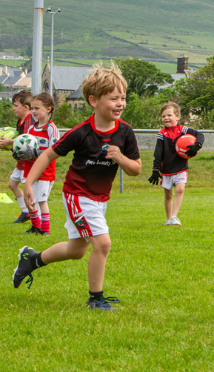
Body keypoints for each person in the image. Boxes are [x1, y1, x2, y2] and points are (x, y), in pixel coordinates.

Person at [12, 64, 142, 311]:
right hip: (77, 195)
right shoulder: (81, 132)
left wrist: (120, 158)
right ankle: (95, 299)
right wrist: (28, 183)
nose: (120, 103)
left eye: (122, 98)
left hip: (100, 199)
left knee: (77, 250)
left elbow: (135, 169)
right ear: (93, 100)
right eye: (113, 98)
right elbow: (48, 155)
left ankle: (32, 260)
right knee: (102, 243)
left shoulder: (125, 132)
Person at [147, 102, 203, 226]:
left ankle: (174, 216)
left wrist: (197, 145)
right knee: (168, 194)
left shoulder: (183, 130)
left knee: (180, 189)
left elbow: (200, 135)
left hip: (181, 168)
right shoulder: (161, 133)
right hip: (166, 169)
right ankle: (169, 219)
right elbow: (158, 152)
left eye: (169, 115)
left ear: (177, 116)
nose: (166, 118)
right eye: (163, 116)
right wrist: (155, 168)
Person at [17, 92, 59, 236]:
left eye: (37, 108)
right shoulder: (31, 128)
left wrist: (37, 154)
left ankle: (45, 229)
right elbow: (27, 147)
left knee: (42, 200)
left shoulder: (52, 129)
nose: (34, 111)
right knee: (30, 200)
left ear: (48, 109)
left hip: (45, 172)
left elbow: (54, 151)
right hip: (30, 169)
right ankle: (35, 226)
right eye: (33, 108)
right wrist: (20, 153)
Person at [0, 89, 34, 223]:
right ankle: (26, 211)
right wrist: (7, 145)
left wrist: (10, 142)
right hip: (21, 160)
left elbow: (28, 140)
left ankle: (33, 213)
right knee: (12, 184)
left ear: (25, 107)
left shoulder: (30, 120)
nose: (13, 108)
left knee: (27, 187)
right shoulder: (20, 121)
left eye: (16, 105)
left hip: (29, 161)